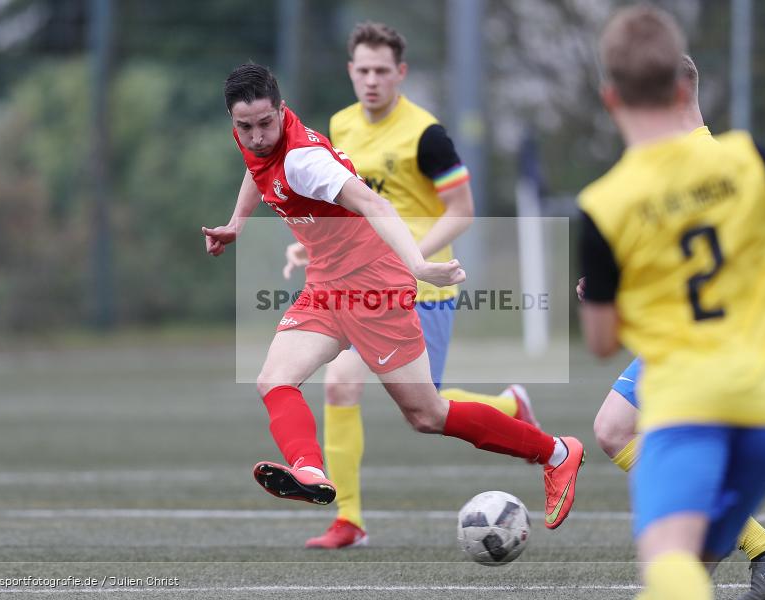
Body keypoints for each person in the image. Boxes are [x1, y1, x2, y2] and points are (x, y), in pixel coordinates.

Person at [202, 62, 586, 534]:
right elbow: (255, 170)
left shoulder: (304, 160)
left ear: (281, 112)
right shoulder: (259, 140)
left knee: (428, 415)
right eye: (246, 127)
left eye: (266, 124)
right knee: (274, 379)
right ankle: (309, 469)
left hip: (372, 287)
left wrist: (419, 266)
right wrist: (237, 224)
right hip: (327, 284)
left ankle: (556, 452)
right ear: (233, 123)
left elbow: (373, 203)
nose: (258, 136)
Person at [578, 6, 765, 600]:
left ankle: (749, 550)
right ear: (683, 88)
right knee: (628, 449)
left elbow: (600, 341)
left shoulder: (606, 204)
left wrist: (607, 292)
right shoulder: (748, 160)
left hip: (690, 392)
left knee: (671, 568)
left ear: (610, 99)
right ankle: (763, 547)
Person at [281, 22, 546, 550]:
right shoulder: (339, 125)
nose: (372, 80)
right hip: (362, 285)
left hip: (423, 288)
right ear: (350, 72)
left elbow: (463, 211)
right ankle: (348, 520)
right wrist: (312, 243)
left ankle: (511, 408)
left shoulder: (426, 134)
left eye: (383, 71)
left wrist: (410, 259)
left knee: (430, 409)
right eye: (363, 70)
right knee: (340, 383)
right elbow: (343, 200)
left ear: (400, 73)